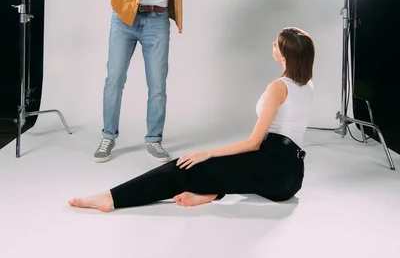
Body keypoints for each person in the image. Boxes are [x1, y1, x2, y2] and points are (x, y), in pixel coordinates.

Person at [71, 27, 315, 211]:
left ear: (285, 57)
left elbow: (253, 144)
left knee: (185, 166)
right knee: (221, 167)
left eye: (277, 44)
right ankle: (209, 192)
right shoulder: (307, 86)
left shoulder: (278, 87)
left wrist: (206, 153)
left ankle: (111, 198)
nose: (272, 44)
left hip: (271, 169)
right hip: (291, 180)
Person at [93, 0, 215, 164]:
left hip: (157, 20)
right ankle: (108, 136)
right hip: (125, 14)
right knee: (114, 79)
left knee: (157, 85)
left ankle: (154, 140)